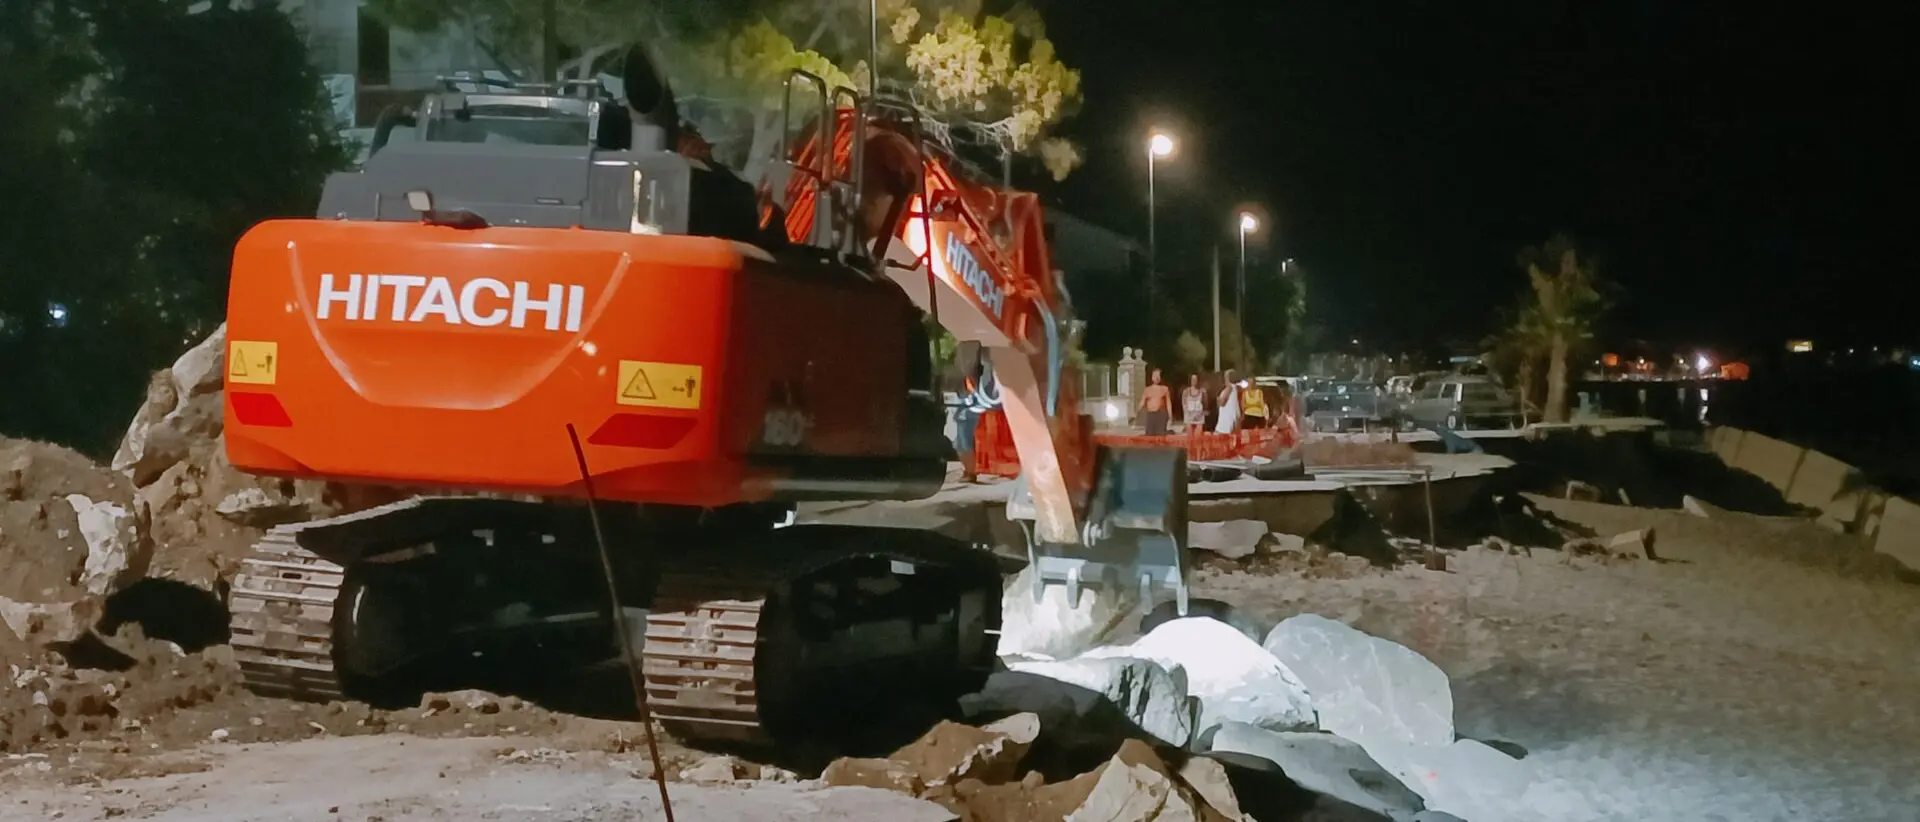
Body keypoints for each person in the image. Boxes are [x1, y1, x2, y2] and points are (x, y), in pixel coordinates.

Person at [1139, 368, 1172, 435]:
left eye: (1158, 375)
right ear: (1152, 377)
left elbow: (1168, 404)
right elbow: (1142, 402)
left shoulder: (1165, 389)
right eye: (1154, 375)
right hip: (1150, 415)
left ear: (1160, 377)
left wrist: (1170, 417)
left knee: (1160, 435)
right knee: (1149, 435)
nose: (1156, 377)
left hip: (1161, 415)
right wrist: (1137, 414)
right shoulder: (1147, 389)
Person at [1214, 370, 1242, 434]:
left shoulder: (1229, 388)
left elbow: (1222, 403)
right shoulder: (1235, 389)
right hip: (1231, 422)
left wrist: (1218, 399)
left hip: (1225, 424)